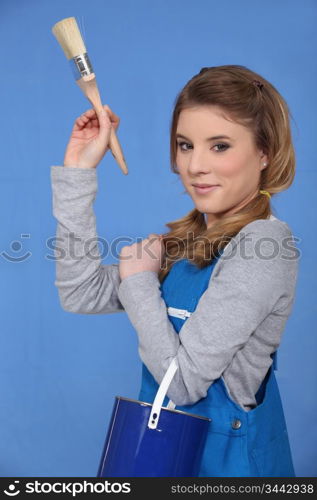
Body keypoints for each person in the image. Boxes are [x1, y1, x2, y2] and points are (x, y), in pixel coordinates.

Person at [50, 64, 299, 477]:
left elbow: (182, 385)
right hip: (167, 462)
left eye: (219, 146)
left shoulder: (263, 247)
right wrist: (79, 172)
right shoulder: (187, 243)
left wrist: (140, 280)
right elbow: (81, 292)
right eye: (185, 145)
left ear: (264, 152)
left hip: (227, 471)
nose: (195, 165)